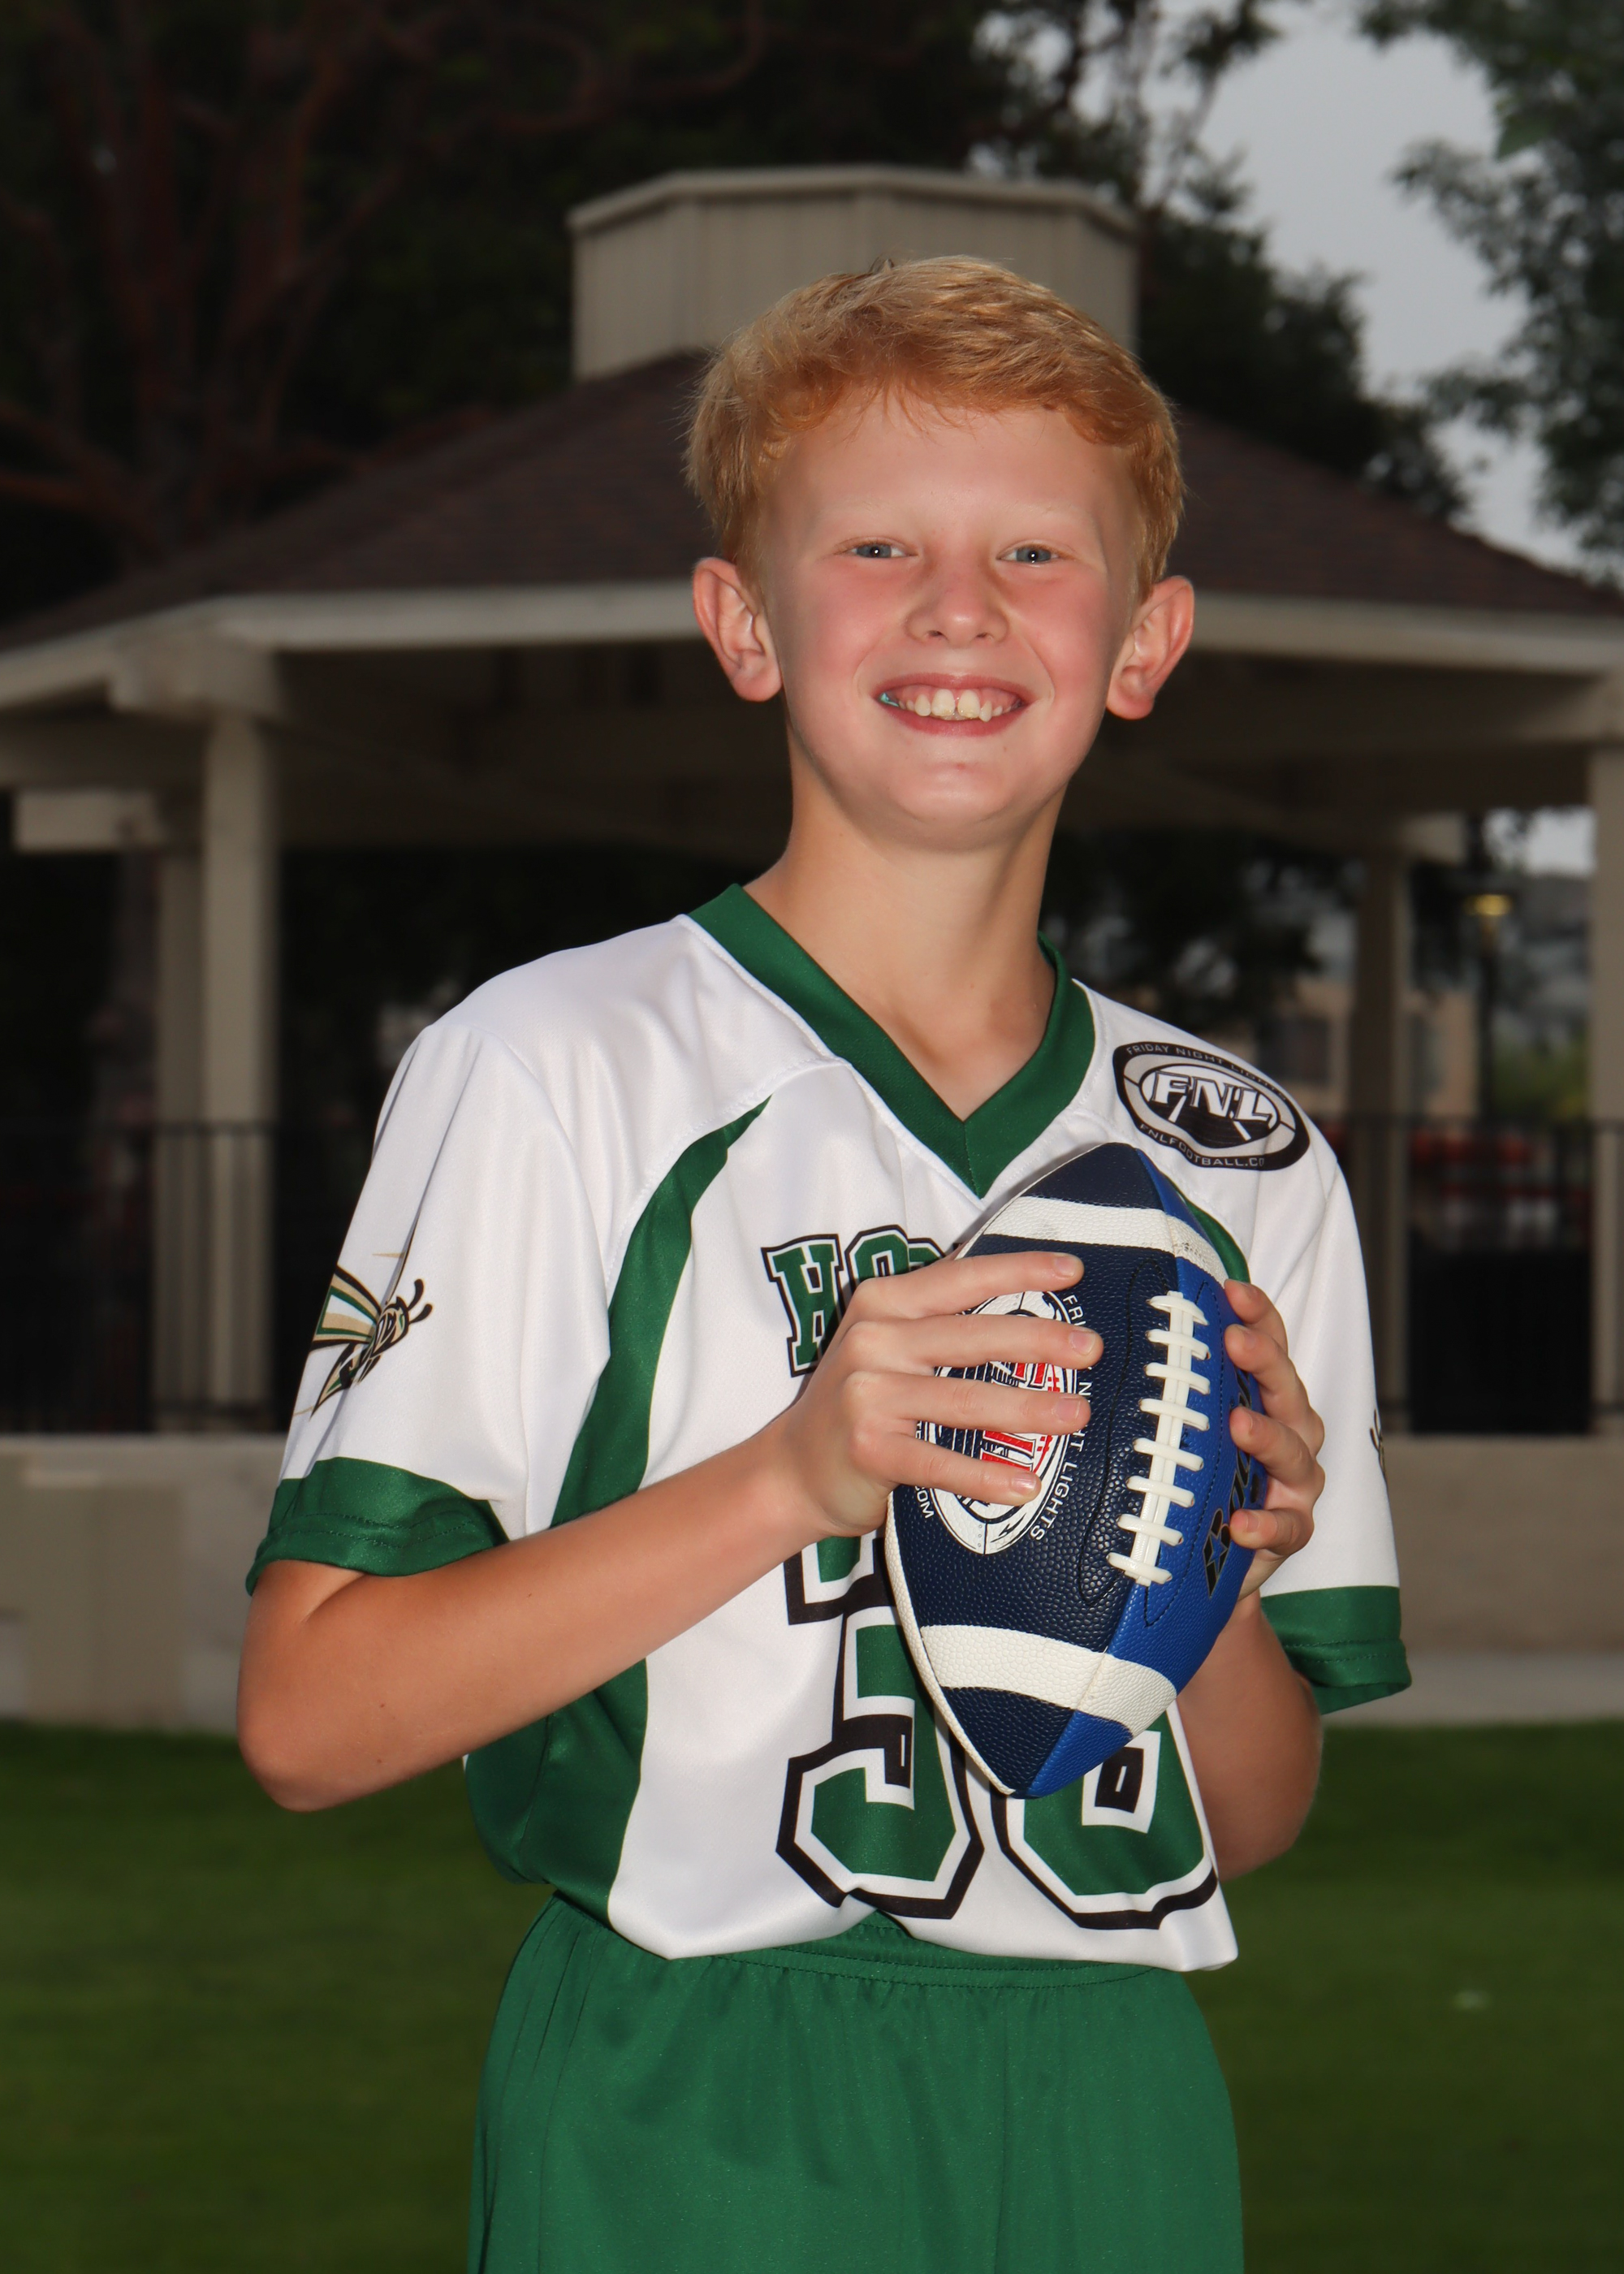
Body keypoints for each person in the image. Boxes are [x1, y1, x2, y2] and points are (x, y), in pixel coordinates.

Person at [238, 257, 1408, 2273]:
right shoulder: (558, 1063)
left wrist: (1199, 1562)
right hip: (695, 2087)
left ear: (1142, 642)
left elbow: (1250, 1809)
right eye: (877, 546)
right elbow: (310, 1717)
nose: (958, 608)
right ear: (745, 622)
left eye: (1033, 551)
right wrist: (791, 1474)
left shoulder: (1239, 1147)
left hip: (1108, 2091)